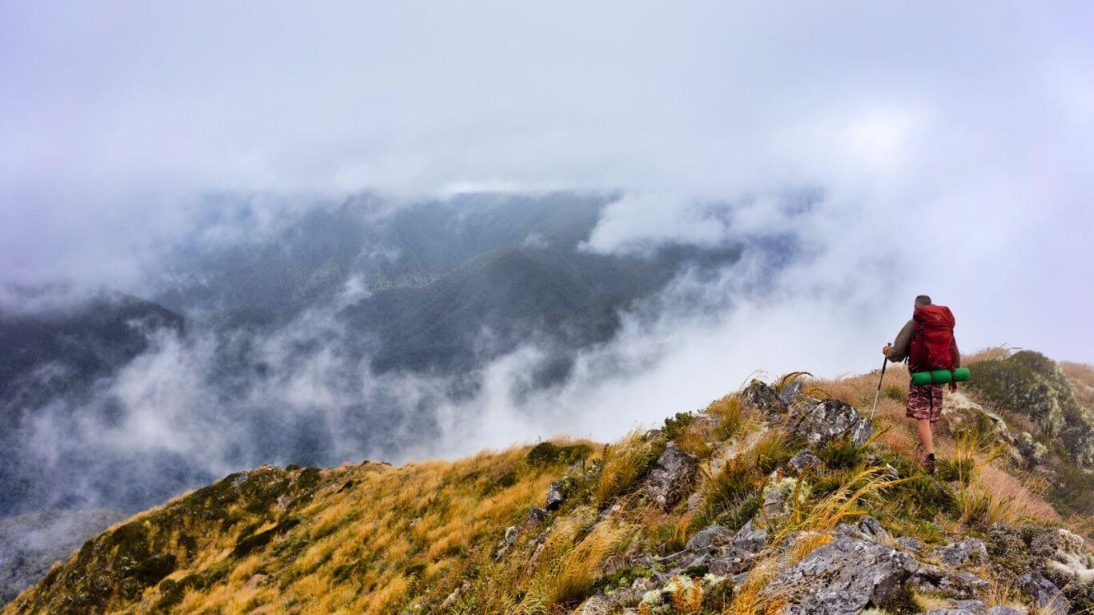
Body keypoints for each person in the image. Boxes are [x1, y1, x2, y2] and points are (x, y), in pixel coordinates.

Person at [882, 295, 960, 474]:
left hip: (921, 376)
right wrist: (953, 377)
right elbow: (953, 350)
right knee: (930, 415)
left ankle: (930, 457)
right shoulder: (943, 324)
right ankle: (923, 450)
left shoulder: (915, 323)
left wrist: (887, 351)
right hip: (940, 376)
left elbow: (898, 352)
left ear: (916, 306)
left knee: (922, 417)